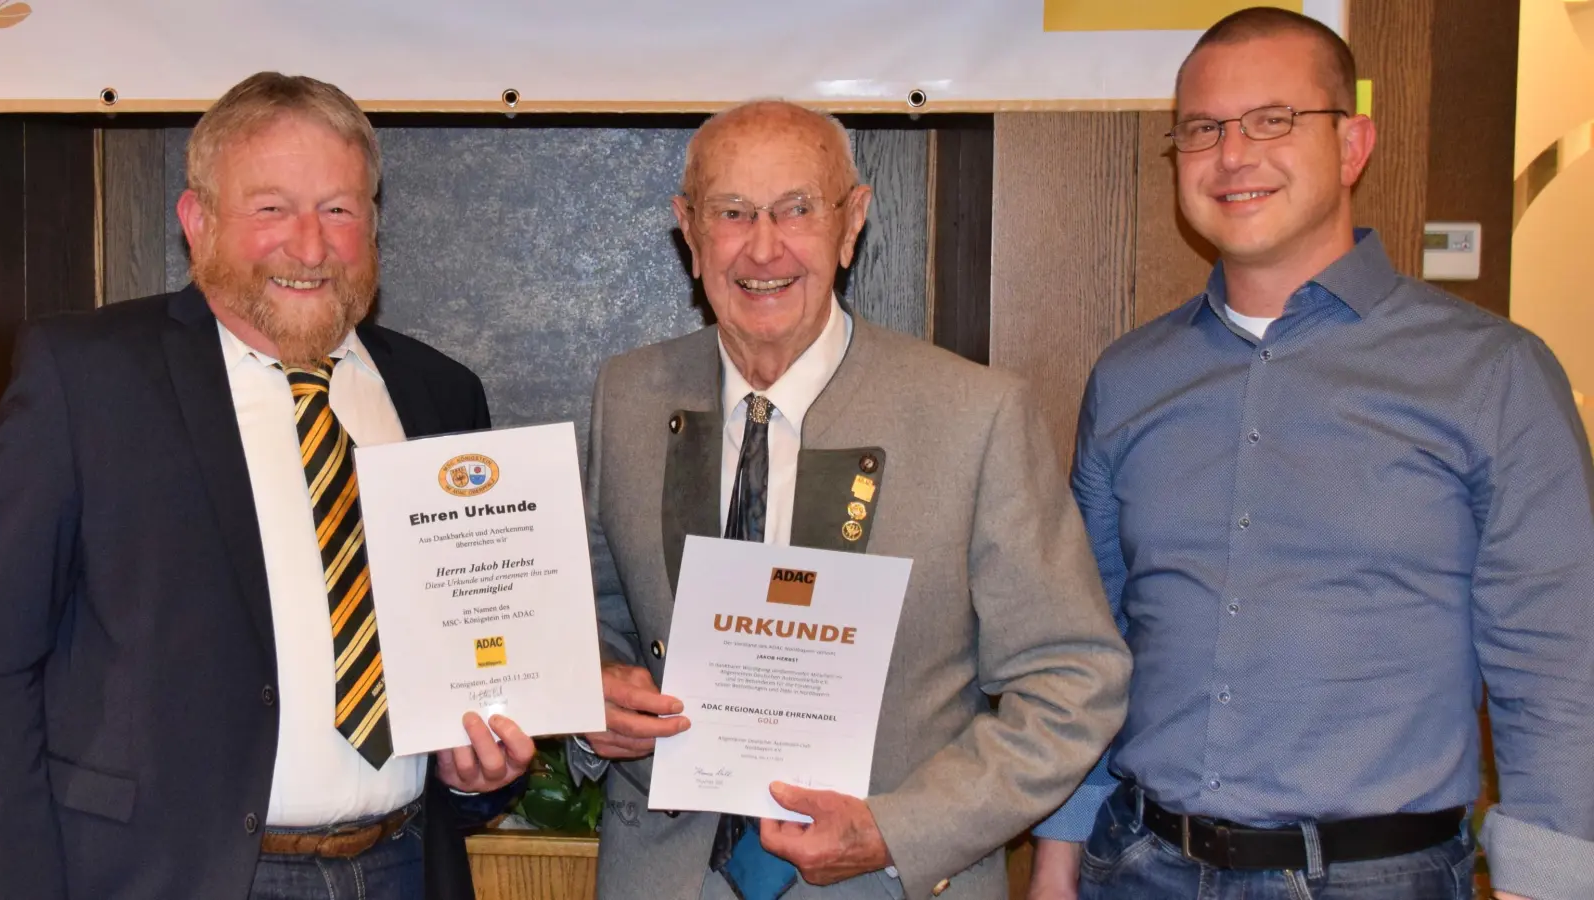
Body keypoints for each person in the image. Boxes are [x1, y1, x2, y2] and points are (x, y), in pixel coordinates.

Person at [1027, 8, 1594, 900]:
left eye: (1274, 120)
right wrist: (1057, 856)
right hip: (1137, 866)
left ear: (1354, 144)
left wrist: (1546, 883)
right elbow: (1091, 640)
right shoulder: (1130, 379)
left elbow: (1558, 663)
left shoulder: (1494, 375)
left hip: (1376, 878)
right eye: (1204, 129)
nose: (1234, 154)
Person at [570, 99, 1130, 900]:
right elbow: (595, 618)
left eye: (798, 208)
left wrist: (899, 831)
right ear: (688, 232)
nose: (764, 248)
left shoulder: (975, 416)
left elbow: (1075, 680)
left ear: (852, 220)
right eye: (732, 212)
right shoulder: (626, 398)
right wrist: (589, 688)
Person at [0, 72, 535, 900]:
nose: (310, 246)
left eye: (339, 210)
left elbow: (469, 657)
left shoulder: (440, 395)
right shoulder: (85, 378)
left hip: (401, 867)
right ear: (196, 220)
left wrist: (473, 772)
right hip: (168, 878)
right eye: (271, 208)